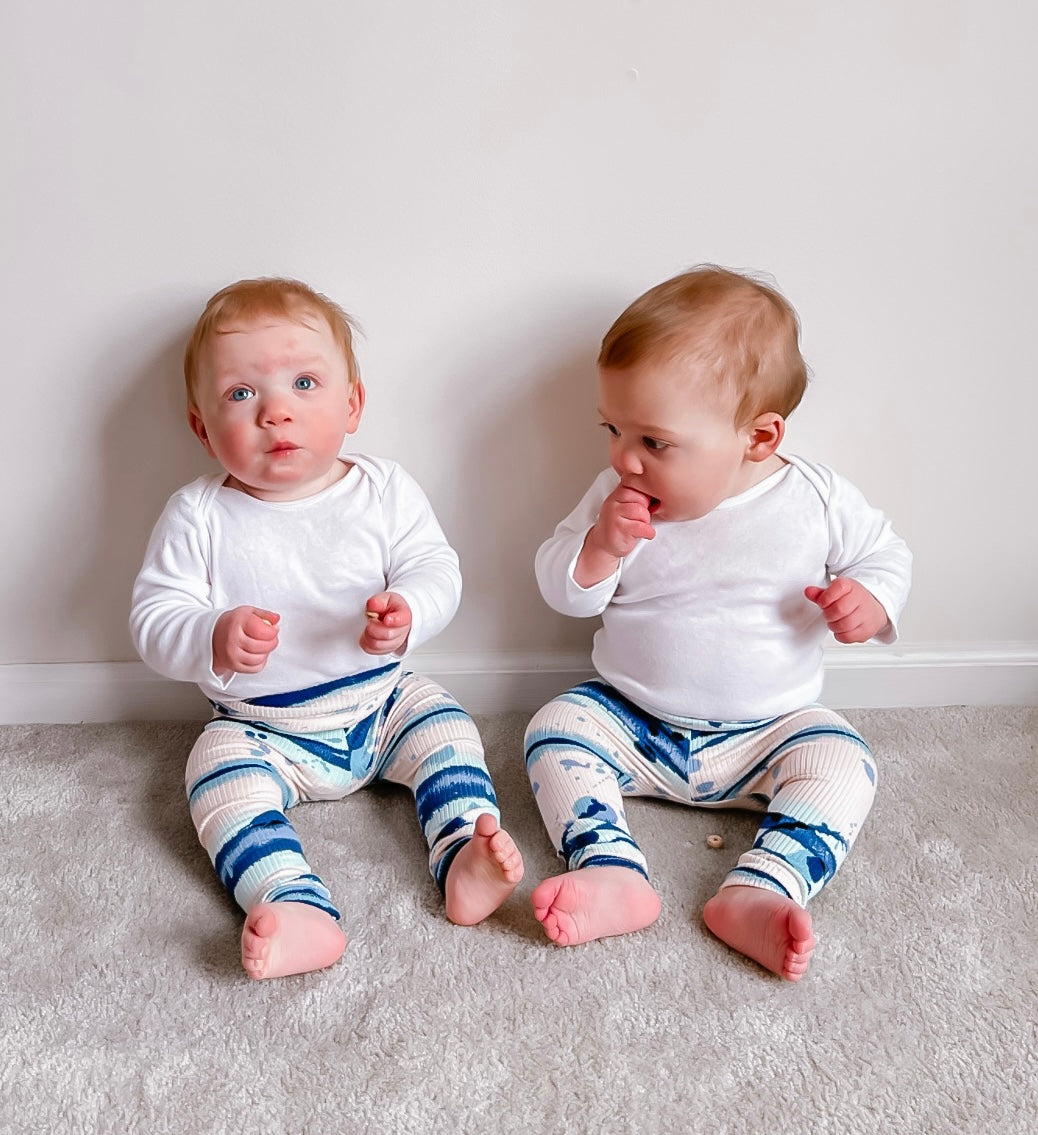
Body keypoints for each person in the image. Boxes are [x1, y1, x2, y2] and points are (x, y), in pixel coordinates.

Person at [525, 265, 911, 980]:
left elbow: (885, 553)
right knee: (554, 727)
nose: (622, 458)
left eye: (655, 441)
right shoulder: (617, 496)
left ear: (758, 438)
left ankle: (763, 887)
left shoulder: (816, 499)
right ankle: (611, 868)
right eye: (613, 429)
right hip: (635, 720)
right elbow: (563, 588)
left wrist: (872, 598)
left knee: (843, 759)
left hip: (767, 729)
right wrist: (600, 546)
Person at [131, 277, 523, 980]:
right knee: (213, 773)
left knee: (446, 726)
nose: (276, 411)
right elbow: (154, 617)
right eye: (241, 394)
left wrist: (408, 610)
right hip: (262, 726)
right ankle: (292, 901)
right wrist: (210, 633)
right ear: (201, 426)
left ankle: (463, 852)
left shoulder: (384, 490)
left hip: (381, 704)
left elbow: (438, 567)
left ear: (353, 404)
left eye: (304, 382)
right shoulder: (198, 515)